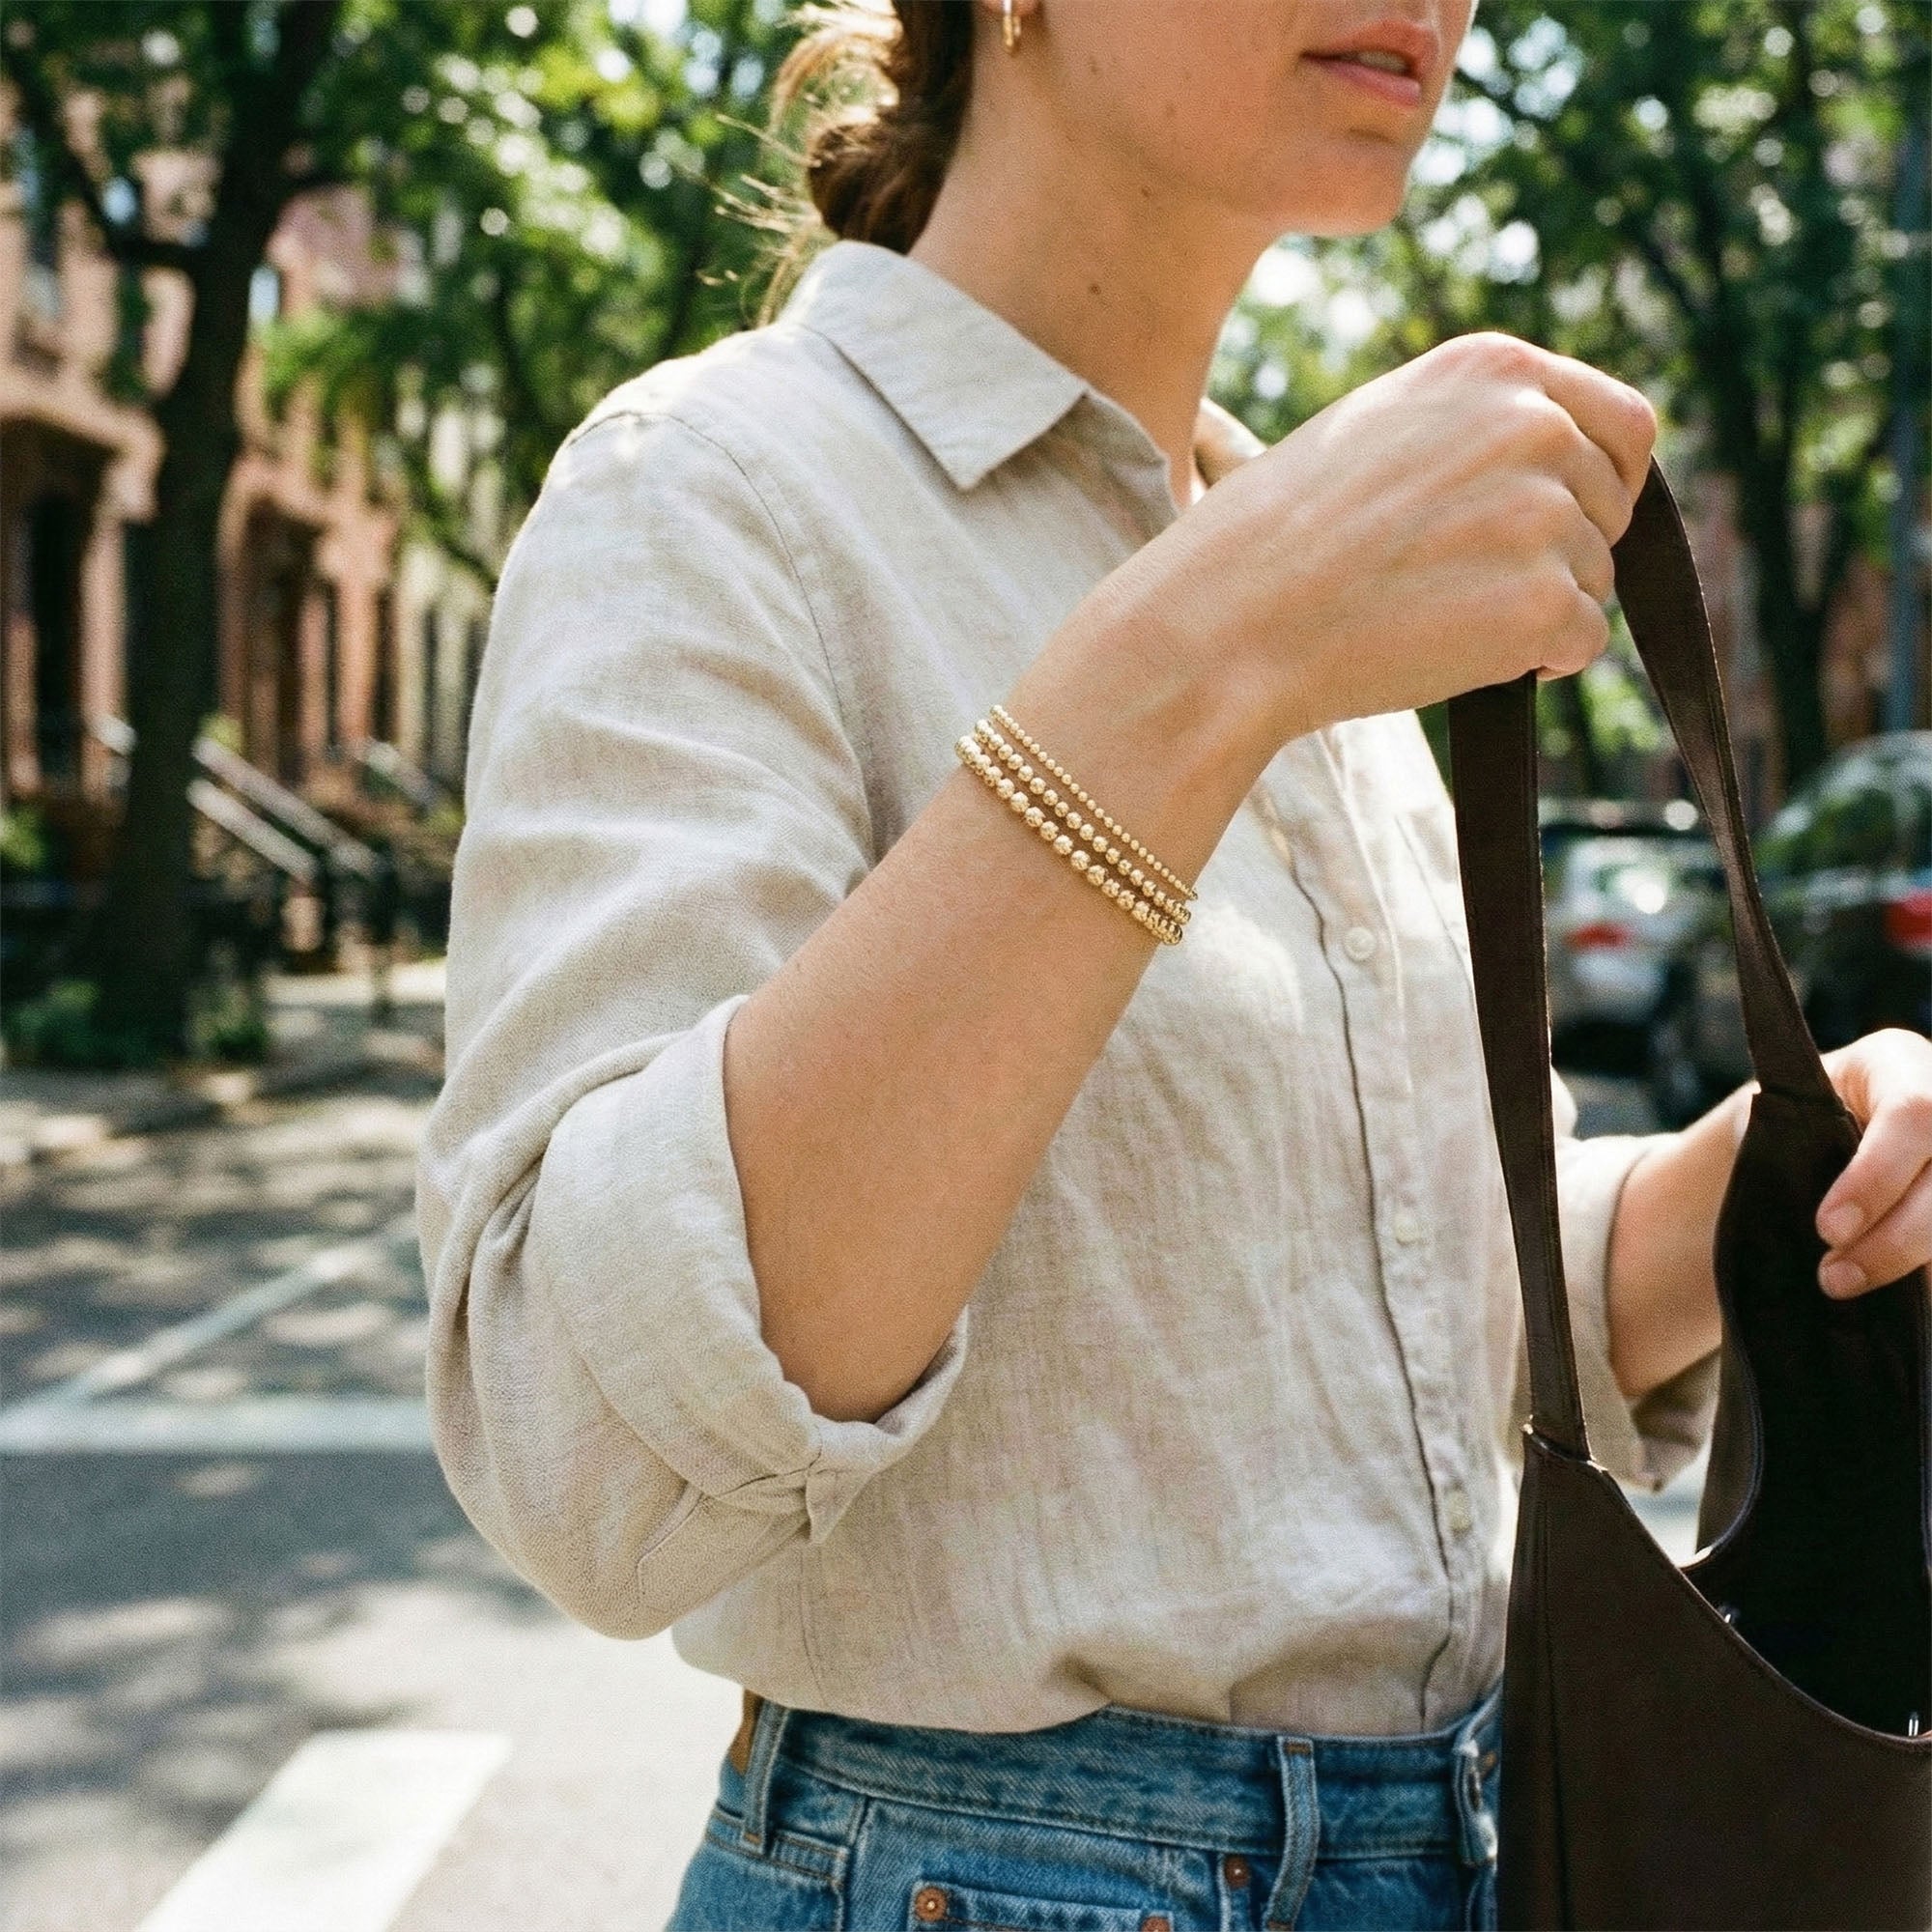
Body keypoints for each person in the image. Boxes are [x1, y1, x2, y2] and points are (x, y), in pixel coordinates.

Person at [413, 3, 1932, 1926]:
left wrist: (1782, 1178)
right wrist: (1208, 660)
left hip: (1491, 1839)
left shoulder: (1300, 548)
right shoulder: (715, 489)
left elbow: (1402, 1308)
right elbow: (582, 1453)